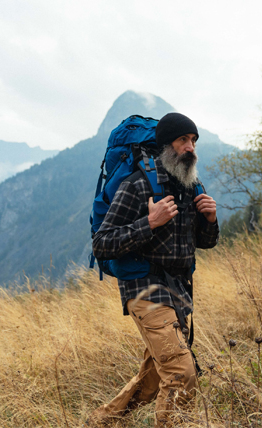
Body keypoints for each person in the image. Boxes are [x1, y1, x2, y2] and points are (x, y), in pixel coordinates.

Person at [89, 112, 219, 427]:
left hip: (178, 290)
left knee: (150, 381)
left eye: (193, 141)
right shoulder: (137, 185)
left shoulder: (192, 185)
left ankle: (101, 421)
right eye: (183, 140)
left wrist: (211, 221)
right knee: (181, 374)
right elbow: (102, 243)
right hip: (144, 289)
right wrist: (149, 222)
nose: (191, 148)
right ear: (165, 145)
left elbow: (203, 242)